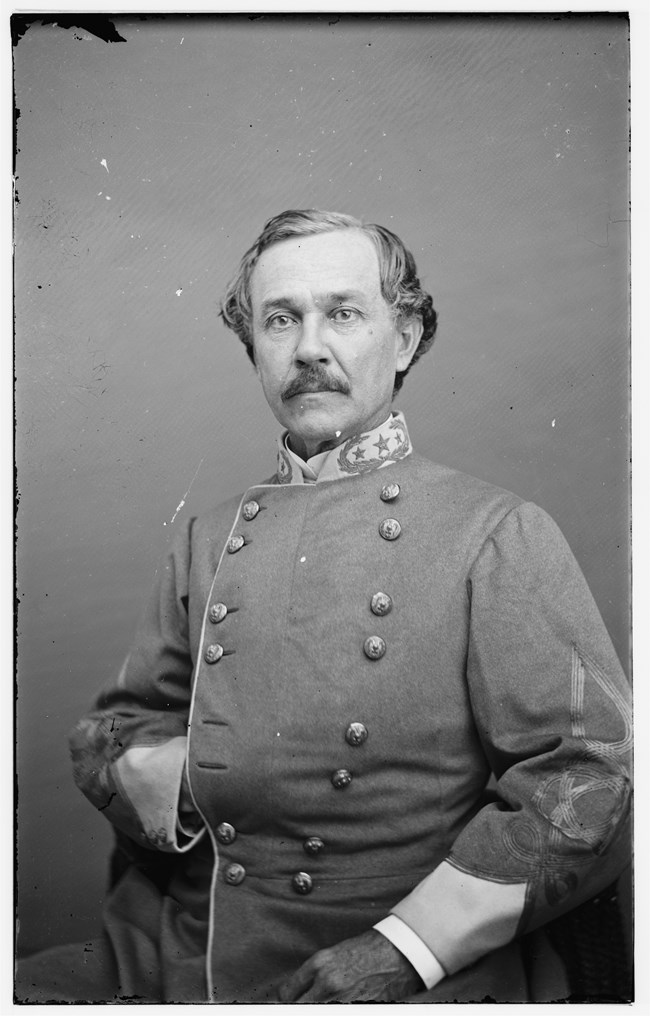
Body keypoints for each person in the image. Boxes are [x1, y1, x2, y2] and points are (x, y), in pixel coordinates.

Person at [16, 209, 631, 1003]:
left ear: (403, 339)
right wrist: (202, 791)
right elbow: (127, 722)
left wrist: (404, 949)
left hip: (393, 959)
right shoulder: (206, 536)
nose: (309, 346)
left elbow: (589, 773)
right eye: (281, 320)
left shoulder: (499, 533)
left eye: (342, 313)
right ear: (254, 350)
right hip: (183, 941)